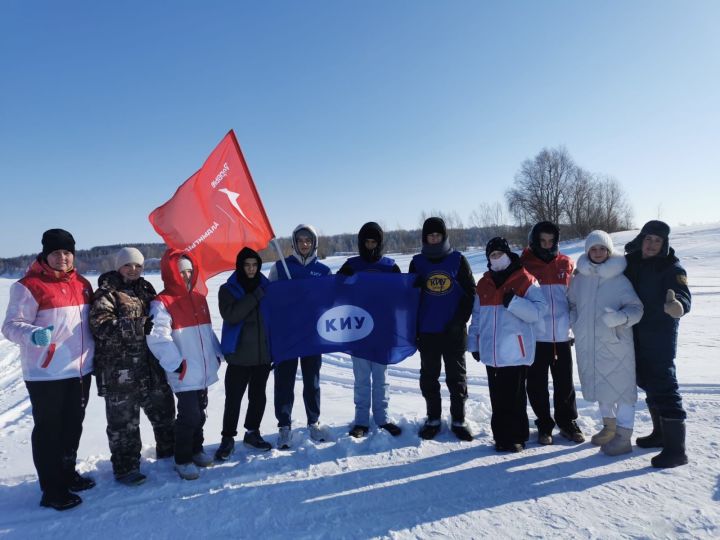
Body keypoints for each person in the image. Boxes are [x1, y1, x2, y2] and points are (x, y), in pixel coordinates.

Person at [2, 229, 95, 510]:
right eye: (56, 252)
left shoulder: (82, 283)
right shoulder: (27, 286)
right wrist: (33, 335)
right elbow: (10, 326)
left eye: (67, 252)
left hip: (79, 370)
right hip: (46, 373)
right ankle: (52, 490)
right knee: (49, 430)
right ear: (45, 254)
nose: (63, 258)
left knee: (72, 427)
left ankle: (68, 474)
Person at [89, 247, 175, 485]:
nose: (134, 269)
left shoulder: (147, 289)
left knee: (165, 413)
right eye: (128, 265)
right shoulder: (107, 293)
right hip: (120, 372)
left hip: (151, 367)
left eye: (138, 265)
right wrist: (136, 325)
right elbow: (100, 326)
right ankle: (126, 468)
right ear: (119, 267)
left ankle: (169, 454)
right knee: (124, 425)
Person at [146, 249, 222, 480]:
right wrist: (177, 365)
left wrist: (216, 354)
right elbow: (158, 337)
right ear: (171, 275)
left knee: (200, 414)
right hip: (184, 371)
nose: (187, 276)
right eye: (182, 272)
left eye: (190, 271)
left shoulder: (199, 298)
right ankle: (182, 458)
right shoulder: (162, 302)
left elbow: (207, 332)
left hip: (204, 368)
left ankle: (196, 449)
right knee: (189, 415)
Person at [467, 237, 547, 452]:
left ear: (508, 254)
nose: (496, 258)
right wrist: (473, 342)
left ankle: (517, 435)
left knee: (514, 396)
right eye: (492, 255)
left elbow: (540, 311)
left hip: (515, 351)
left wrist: (514, 303)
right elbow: (477, 316)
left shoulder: (524, 279)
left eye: (499, 254)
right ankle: (501, 436)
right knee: (497, 397)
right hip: (491, 351)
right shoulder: (484, 283)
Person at [568, 231, 643, 455]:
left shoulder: (619, 279)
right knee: (601, 388)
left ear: (609, 252)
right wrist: (576, 321)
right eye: (593, 249)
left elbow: (637, 309)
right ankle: (609, 428)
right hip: (588, 344)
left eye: (602, 249)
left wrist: (620, 318)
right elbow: (571, 304)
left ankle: (623, 436)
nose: (598, 252)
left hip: (615, 345)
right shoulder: (579, 279)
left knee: (623, 391)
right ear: (587, 251)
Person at [624, 220, 691, 468]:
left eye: (657, 241)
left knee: (664, 385)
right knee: (646, 380)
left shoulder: (671, 267)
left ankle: (676, 450)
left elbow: (683, 293)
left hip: (660, 334)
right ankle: (660, 433)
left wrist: (678, 306)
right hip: (636, 332)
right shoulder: (631, 262)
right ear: (642, 238)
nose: (652, 244)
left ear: (664, 244)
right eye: (649, 239)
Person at [409, 217, 476, 441]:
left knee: (457, 378)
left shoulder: (458, 259)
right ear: (425, 238)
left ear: (444, 236)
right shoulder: (417, 263)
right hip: (427, 331)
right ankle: (433, 419)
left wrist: (459, 321)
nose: (434, 238)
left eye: (438, 235)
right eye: (430, 235)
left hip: (454, 332)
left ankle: (459, 419)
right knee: (429, 377)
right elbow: (408, 299)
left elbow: (470, 294)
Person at [337, 222, 402, 438]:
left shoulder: (390, 266)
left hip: (383, 331)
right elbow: (335, 292)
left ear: (380, 243)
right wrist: (342, 279)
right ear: (361, 243)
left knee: (381, 377)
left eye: (374, 241)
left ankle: (382, 418)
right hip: (358, 332)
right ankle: (362, 421)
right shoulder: (351, 265)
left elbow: (402, 297)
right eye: (367, 241)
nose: (370, 245)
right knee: (362, 378)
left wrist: (414, 286)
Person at [269, 224, 332, 449]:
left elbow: (330, 302)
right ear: (294, 243)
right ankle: (284, 426)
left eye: (308, 240)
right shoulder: (280, 267)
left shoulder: (324, 271)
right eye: (300, 240)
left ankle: (313, 421)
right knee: (284, 382)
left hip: (313, 336)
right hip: (288, 335)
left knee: (312, 382)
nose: (304, 244)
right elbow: (270, 300)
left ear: (314, 243)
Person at [520, 221, 584, 444]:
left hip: (562, 336)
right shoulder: (524, 264)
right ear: (534, 241)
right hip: (536, 336)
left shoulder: (566, 263)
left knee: (565, 383)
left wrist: (573, 325)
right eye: (542, 241)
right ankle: (544, 424)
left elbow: (574, 299)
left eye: (551, 241)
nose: (547, 245)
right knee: (536, 384)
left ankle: (567, 422)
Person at [215, 247, 273, 460]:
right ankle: (227, 438)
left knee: (258, 397)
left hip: (262, 356)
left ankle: (252, 433)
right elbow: (232, 315)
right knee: (233, 399)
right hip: (238, 356)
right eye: (247, 265)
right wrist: (255, 296)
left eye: (254, 265)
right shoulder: (228, 289)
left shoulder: (267, 286)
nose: (251, 269)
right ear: (240, 266)